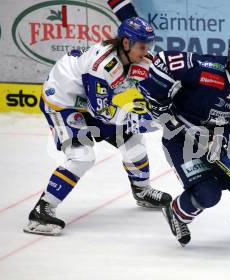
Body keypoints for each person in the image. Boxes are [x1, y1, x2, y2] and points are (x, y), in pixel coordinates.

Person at [23, 17, 172, 236]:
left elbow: (153, 90)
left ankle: (142, 191)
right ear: (126, 43)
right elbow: (100, 112)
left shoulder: (138, 58)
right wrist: (134, 118)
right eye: (142, 46)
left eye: (148, 46)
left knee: (133, 140)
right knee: (81, 156)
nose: (146, 51)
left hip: (88, 103)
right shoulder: (102, 66)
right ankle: (41, 210)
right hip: (63, 104)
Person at [138, 35, 230, 246]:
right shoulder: (206, 68)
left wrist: (225, 142)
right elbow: (162, 60)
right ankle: (176, 213)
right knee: (207, 194)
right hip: (180, 139)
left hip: (219, 139)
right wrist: (158, 101)